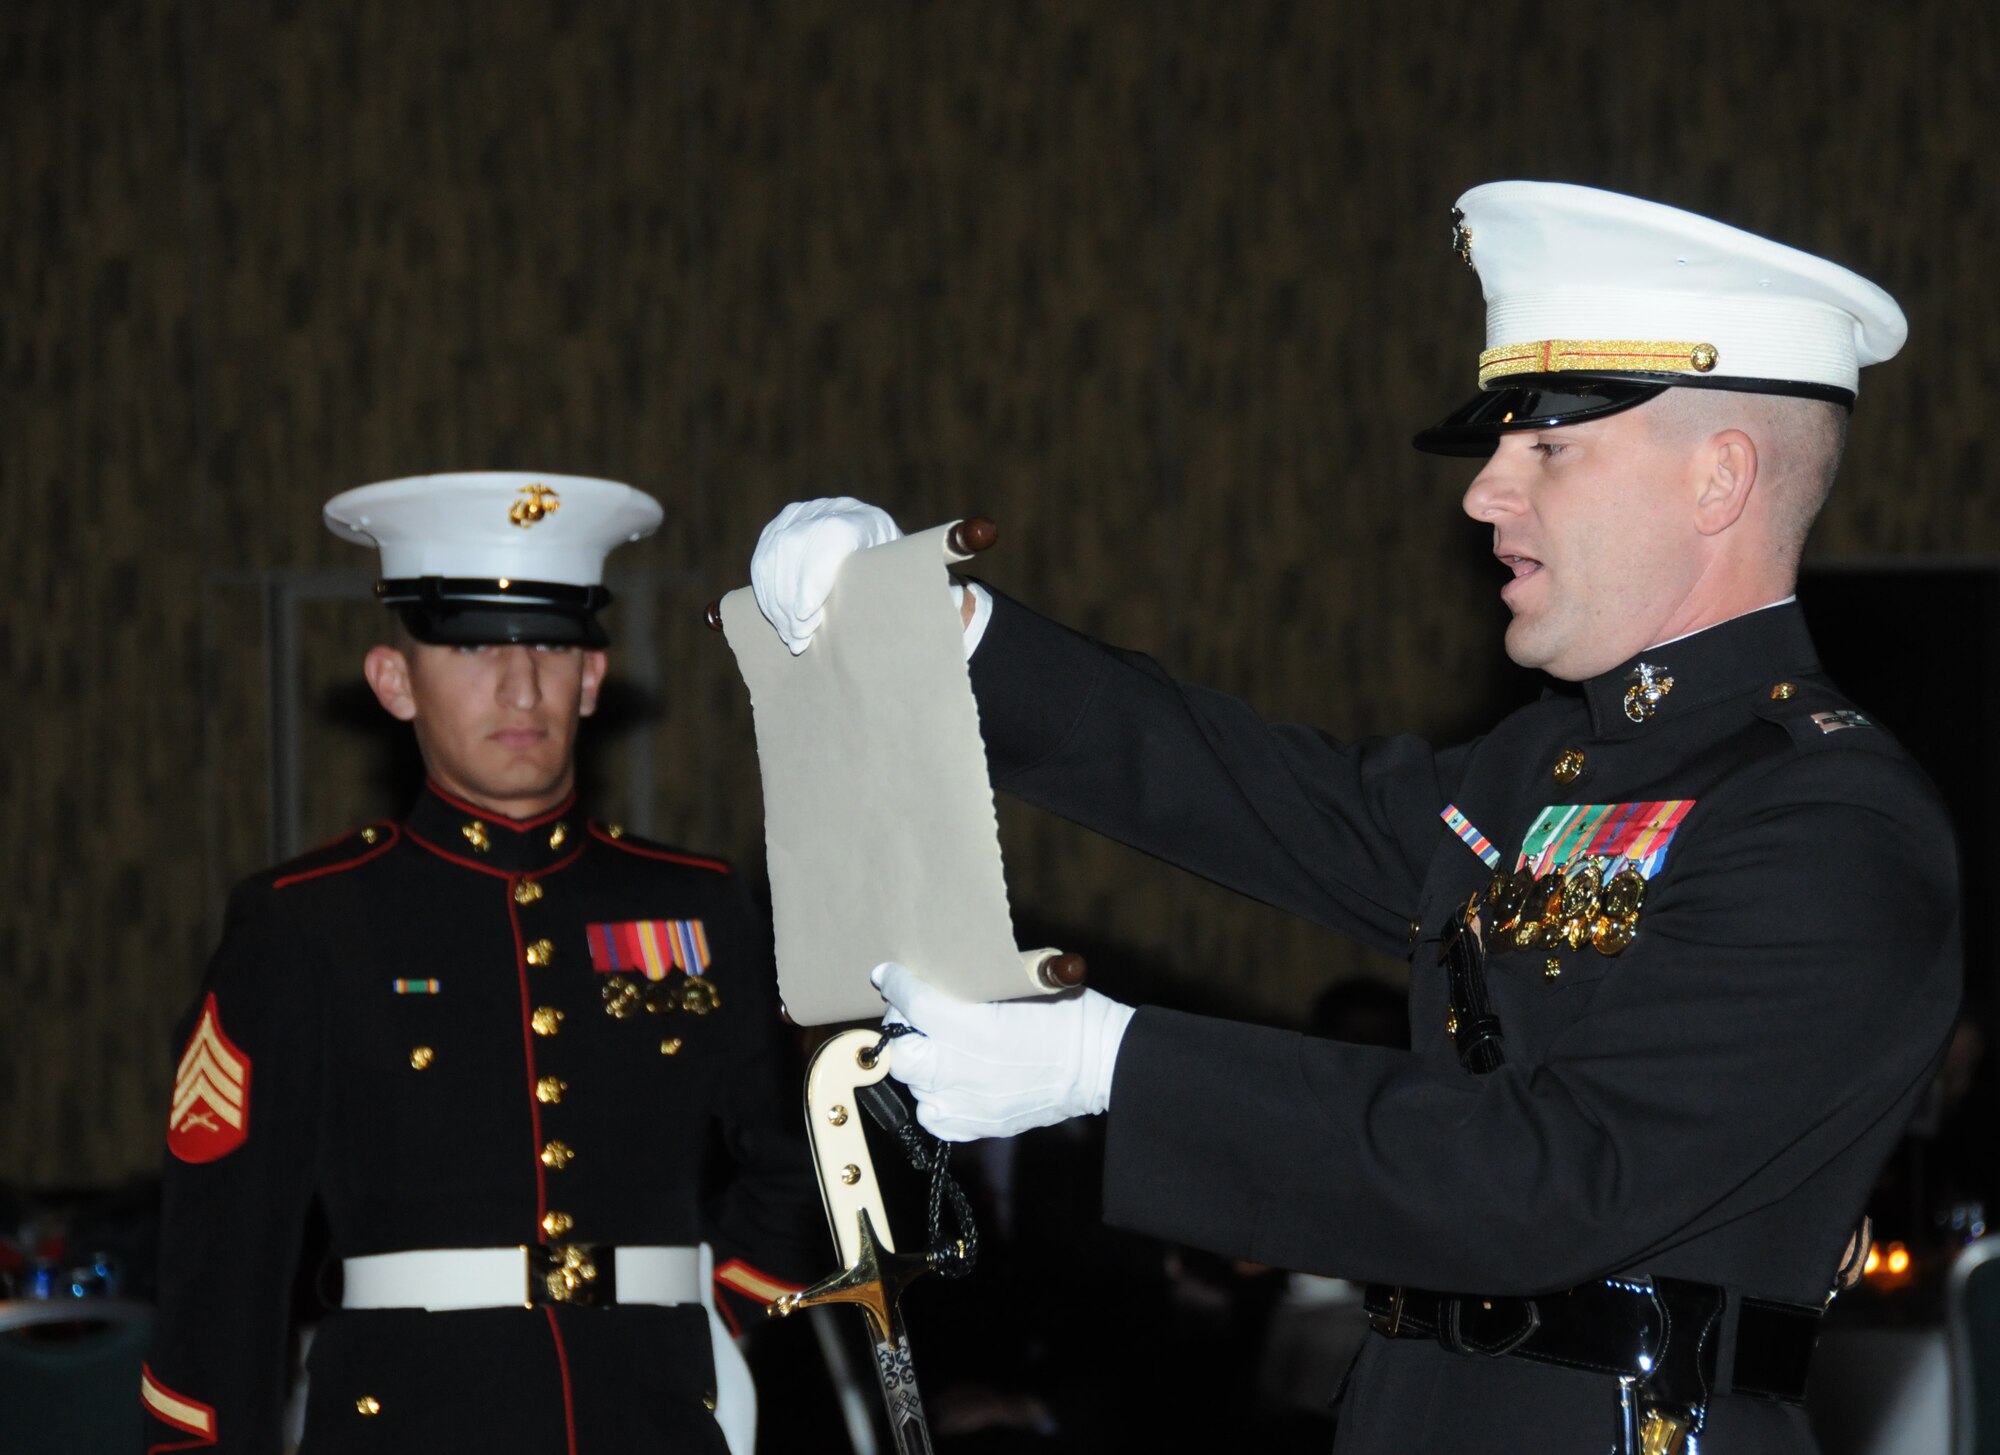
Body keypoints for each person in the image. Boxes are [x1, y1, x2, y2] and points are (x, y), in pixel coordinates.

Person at [746, 184, 1963, 1453]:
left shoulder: (1828, 821)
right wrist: (939, 634)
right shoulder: (1543, 766)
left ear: (1718, 480)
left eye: (1545, 449)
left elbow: (1549, 1181)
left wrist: (1108, 1065)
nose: (1483, 493)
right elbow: (1267, 797)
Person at [144, 472, 820, 1455]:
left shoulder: (694, 903)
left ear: (592, 678)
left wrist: (714, 1313)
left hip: (656, 1413)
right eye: (468, 646)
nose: (519, 685)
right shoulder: (306, 923)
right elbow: (227, 1257)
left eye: (551, 644)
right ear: (393, 680)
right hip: (412, 1418)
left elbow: (803, 1151)